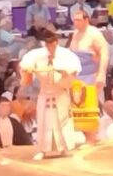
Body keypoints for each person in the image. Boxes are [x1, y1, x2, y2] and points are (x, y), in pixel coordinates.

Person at [19, 30, 82, 160]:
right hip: (45, 92)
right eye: (47, 44)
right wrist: (28, 71)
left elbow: (73, 75)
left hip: (60, 92)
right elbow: (25, 69)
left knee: (63, 121)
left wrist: (65, 74)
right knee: (44, 122)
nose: (49, 47)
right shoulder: (36, 55)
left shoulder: (67, 55)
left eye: (52, 44)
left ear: (56, 43)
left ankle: (65, 148)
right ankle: (42, 150)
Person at [68, 10, 109, 144]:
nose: (76, 23)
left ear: (86, 20)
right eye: (74, 20)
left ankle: (93, 136)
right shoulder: (75, 34)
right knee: (79, 106)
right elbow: (72, 53)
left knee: (90, 105)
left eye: (79, 20)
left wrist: (101, 74)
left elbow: (104, 53)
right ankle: (87, 136)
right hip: (78, 76)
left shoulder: (94, 34)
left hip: (92, 74)